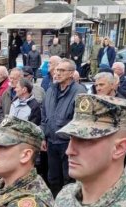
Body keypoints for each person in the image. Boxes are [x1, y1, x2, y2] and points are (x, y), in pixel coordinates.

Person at [41, 58, 86, 197]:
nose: (57, 73)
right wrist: (43, 136)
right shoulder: (51, 90)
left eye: (62, 70)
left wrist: (75, 141)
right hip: (51, 142)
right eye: (57, 70)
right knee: (53, 178)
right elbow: (44, 115)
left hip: (68, 143)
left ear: (71, 73)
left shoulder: (79, 92)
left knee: (69, 179)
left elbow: (81, 121)